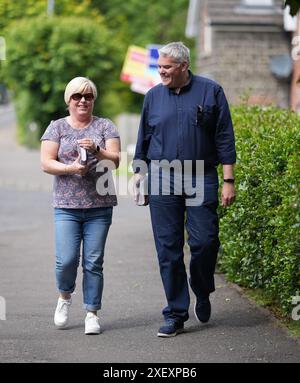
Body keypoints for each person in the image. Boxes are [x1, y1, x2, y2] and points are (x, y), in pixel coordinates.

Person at [133, 42, 236, 337]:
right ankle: (176, 313)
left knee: (205, 242)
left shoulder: (210, 91)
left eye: (166, 67)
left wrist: (228, 180)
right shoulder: (153, 97)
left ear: (183, 66)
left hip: (200, 175)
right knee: (168, 248)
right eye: (159, 67)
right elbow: (144, 137)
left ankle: (201, 289)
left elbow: (224, 136)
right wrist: (139, 177)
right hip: (162, 176)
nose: (161, 72)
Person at [40, 77, 120, 335]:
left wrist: (97, 150)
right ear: (69, 100)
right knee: (66, 261)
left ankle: (91, 313)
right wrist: (71, 168)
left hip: (100, 204)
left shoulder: (105, 126)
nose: (83, 100)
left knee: (94, 261)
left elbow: (116, 160)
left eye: (88, 96)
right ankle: (64, 297)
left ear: (94, 100)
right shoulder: (56, 128)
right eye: (77, 96)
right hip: (66, 205)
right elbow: (46, 162)